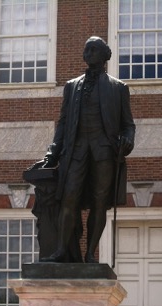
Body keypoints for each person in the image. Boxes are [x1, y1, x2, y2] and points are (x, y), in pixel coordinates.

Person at [41, 36, 135, 264]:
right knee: (68, 199)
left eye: (94, 50)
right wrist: (52, 153)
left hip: (104, 152)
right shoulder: (72, 87)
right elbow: (63, 122)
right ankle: (62, 250)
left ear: (104, 56)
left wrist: (128, 140)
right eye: (86, 50)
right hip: (76, 151)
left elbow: (128, 124)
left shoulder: (118, 88)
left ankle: (91, 253)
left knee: (100, 203)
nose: (88, 54)